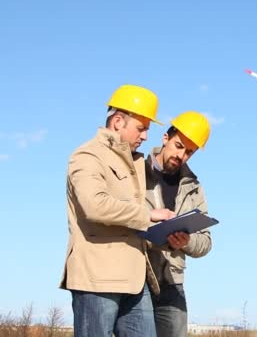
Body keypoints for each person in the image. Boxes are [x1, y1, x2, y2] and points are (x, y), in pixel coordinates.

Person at [59, 84, 176, 337]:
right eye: (141, 128)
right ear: (118, 121)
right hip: (97, 279)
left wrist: (168, 236)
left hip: (135, 279)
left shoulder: (134, 163)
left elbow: (131, 220)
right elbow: (95, 206)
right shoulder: (87, 155)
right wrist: (149, 215)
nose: (145, 136)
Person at [144, 111, 213, 337]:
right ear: (165, 138)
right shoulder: (136, 172)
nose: (181, 155)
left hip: (172, 282)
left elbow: (205, 243)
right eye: (178, 145)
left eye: (189, 152)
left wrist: (187, 241)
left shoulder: (194, 188)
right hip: (138, 277)